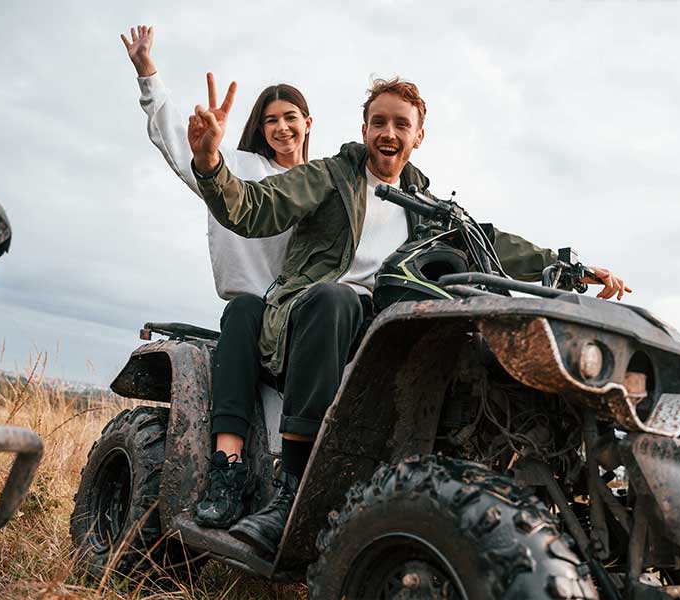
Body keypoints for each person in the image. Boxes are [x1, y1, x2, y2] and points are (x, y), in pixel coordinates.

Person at [187, 75, 631, 555]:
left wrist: (571, 267)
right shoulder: (329, 177)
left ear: (418, 136)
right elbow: (256, 207)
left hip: (383, 334)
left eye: (402, 124)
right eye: (379, 122)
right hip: (310, 320)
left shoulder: (431, 208)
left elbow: (494, 242)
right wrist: (210, 163)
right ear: (364, 129)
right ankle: (292, 490)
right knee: (334, 297)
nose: (388, 133)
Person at [121, 25, 317, 528]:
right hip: (252, 317)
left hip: (305, 320)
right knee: (246, 308)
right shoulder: (240, 167)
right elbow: (183, 150)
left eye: (290, 117)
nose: (281, 128)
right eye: (271, 119)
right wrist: (148, 73)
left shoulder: (322, 185)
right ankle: (226, 468)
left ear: (307, 123)